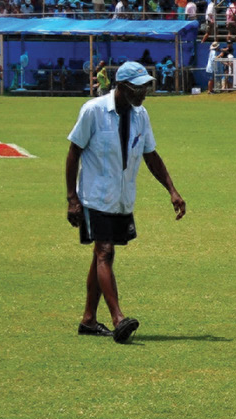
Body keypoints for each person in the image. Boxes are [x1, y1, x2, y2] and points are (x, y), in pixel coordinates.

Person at [65, 62, 186, 344]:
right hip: (94, 196)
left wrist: (172, 190)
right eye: (139, 87)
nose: (145, 92)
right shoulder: (93, 111)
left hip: (121, 198)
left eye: (147, 86)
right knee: (105, 252)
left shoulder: (141, 115)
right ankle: (118, 318)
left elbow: (151, 155)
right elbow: (73, 153)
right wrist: (72, 199)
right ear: (121, 87)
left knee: (101, 255)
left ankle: (88, 320)